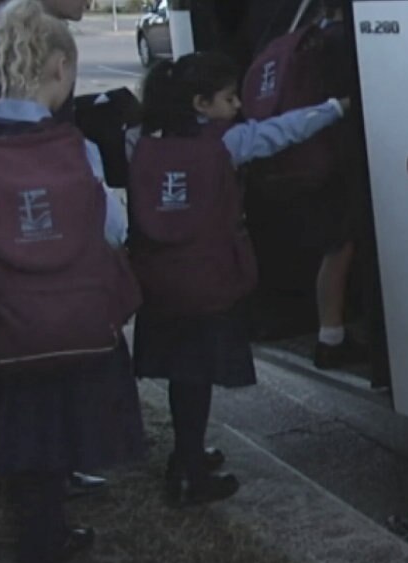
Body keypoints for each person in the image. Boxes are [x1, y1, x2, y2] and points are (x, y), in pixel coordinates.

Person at [0, 1, 146, 563]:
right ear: (61, 69)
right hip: (72, 327)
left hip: (0, 328)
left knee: (20, 437)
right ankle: (47, 542)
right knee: (55, 437)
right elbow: (115, 230)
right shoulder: (76, 148)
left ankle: (36, 533)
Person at [128, 50, 348, 506]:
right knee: (197, 377)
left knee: (179, 377)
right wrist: (334, 109)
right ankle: (190, 474)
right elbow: (282, 132)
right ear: (201, 104)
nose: (237, 108)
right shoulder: (225, 145)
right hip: (207, 283)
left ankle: (185, 452)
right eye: (229, 99)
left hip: (158, 282)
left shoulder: (143, 143)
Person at [311, 0, 367, 370]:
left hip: (325, 153)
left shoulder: (316, 39)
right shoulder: (346, 40)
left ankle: (331, 334)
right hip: (347, 153)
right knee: (342, 245)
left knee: (338, 244)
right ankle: (331, 337)